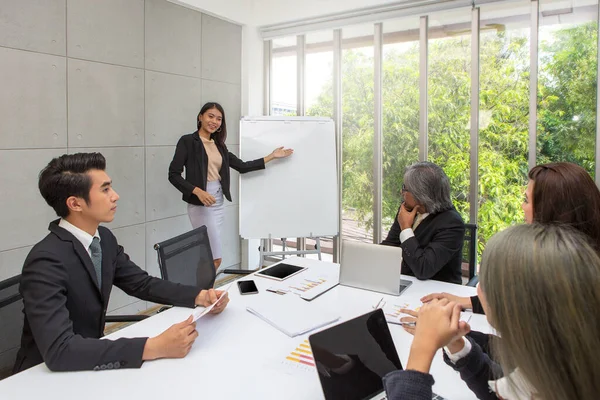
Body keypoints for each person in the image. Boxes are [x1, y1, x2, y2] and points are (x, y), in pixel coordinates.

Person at [13, 153, 229, 374]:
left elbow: (142, 284)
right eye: (105, 189)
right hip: (41, 378)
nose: (115, 196)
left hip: (90, 363)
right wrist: (152, 347)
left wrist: (199, 296)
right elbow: (60, 350)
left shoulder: (104, 239)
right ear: (75, 203)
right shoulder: (45, 261)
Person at [383, 224, 600, 400]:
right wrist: (459, 347)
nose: (478, 289)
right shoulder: (561, 373)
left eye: (485, 282)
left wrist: (422, 349)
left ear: (513, 305)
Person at [419, 162, 600, 313]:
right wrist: (464, 302)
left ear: (553, 209)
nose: (522, 206)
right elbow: (521, 306)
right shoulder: (577, 267)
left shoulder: (562, 274)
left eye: (527, 201)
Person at [169, 102, 293, 270]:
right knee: (215, 258)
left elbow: (242, 166)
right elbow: (173, 174)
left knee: (207, 255)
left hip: (218, 203)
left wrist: (271, 156)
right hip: (200, 204)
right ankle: (203, 294)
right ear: (200, 117)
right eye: (210, 116)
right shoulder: (188, 141)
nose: (214, 121)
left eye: (219, 119)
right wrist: (197, 191)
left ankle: (204, 293)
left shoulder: (219, 146)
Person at [381, 161, 465, 284]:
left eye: (405, 188)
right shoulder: (407, 209)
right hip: (406, 283)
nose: (401, 192)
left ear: (420, 194)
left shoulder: (452, 224)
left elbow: (423, 269)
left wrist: (406, 228)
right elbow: (391, 245)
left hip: (438, 293)